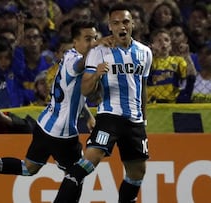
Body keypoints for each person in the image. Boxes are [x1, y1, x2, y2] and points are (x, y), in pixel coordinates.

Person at [0, 20, 109, 202]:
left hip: (44, 126)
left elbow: (73, 95)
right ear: (75, 42)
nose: (92, 43)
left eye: (95, 38)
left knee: (28, 168)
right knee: (76, 175)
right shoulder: (76, 61)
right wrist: (100, 47)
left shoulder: (70, 55)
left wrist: (88, 115)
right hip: (62, 135)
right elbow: (83, 64)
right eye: (88, 39)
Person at [54, 3, 152, 202]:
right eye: (116, 23)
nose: (121, 26)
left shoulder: (145, 52)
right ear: (110, 27)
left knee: (137, 173)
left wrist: (144, 120)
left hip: (135, 121)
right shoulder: (99, 52)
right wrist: (97, 74)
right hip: (110, 116)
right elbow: (85, 90)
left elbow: (143, 88)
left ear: (133, 24)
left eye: (125, 21)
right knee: (89, 163)